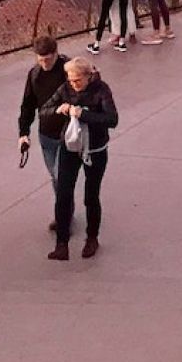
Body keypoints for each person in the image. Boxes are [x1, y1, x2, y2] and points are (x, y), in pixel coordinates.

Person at [44, 57, 118, 261]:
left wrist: (83, 114)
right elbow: (44, 111)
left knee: (91, 196)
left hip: (95, 149)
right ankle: (61, 244)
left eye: (77, 80)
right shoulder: (65, 89)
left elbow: (112, 119)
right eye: (70, 80)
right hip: (70, 147)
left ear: (88, 76)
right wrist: (60, 110)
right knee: (63, 194)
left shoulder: (101, 90)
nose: (73, 85)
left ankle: (92, 238)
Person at [17, 36, 70, 223]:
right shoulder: (34, 74)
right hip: (46, 135)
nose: (44, 63)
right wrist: (23, 134)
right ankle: (65, 212)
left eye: (47, 59)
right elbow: (28, 105)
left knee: (60, 177)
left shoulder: (68, 71)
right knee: (56, 178)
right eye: (40, 59)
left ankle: (63, 217)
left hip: (67, 134)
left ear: (56, 54)